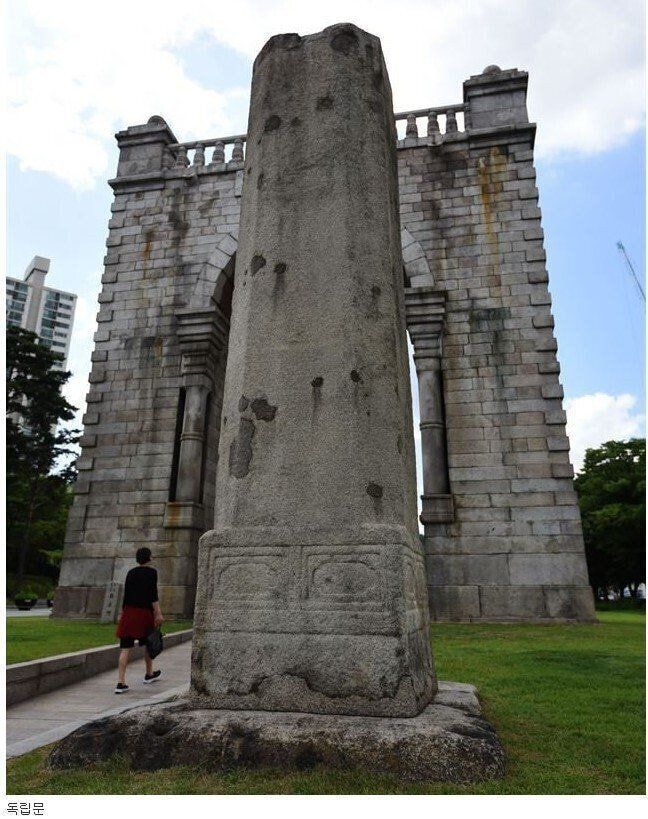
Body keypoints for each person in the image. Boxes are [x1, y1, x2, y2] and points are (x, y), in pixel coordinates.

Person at [114, 547, 164, 694]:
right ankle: (149, 674)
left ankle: (120, 682)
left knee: (125, 648)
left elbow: (126, 595)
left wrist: (122, 613)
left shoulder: (130, 573)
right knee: (148, 643)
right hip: (144, 613)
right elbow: (153, 595)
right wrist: (158, 613)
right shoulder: (151, 573)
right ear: (149, 558)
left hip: (129, 612)